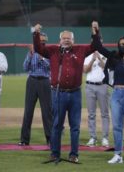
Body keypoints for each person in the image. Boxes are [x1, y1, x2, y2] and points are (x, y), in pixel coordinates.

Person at [33, 23, 95, 163]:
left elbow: (94, 46)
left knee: (75, 127)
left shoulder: (81, 50)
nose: (66, 40)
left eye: (69, 38)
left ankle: (74, 154)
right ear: (59, 40)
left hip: (75, 94)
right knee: (56, 125)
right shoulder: (53, 50)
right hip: (58, 93)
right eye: (64, 38)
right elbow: (37, 48)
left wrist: (95, 32)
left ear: (73, 40)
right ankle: (55, 153)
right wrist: (36, 33)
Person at [92, 21, 124, 165]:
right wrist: (96, 32)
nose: (121, 46)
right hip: (116, 95)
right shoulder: (114, 57)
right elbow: (98, 47)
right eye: (120, 44)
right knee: (117, 127)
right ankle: (118, 155)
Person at [19, 32, 52, 146]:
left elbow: (51, 67)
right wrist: (31, 54)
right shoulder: (31, 53)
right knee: (28, 111)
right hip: (32, 81)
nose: (41, 43)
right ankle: (24, 140)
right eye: (39, 41)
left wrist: (42, 57)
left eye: (43, 41)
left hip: (44, 81)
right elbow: (25, 67)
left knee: (46, 112)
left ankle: (50, 139)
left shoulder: (49, 52)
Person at [83, 51, 110, 147]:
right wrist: (92, 60)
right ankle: (92, 138)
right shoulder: (87, 56)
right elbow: (85, 70)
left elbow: (107, 69)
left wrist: (99, 58)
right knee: (91, 114)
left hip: (102, 86)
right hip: (89, 86)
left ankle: (105, 138)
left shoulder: (105, 55)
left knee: (105, 114)